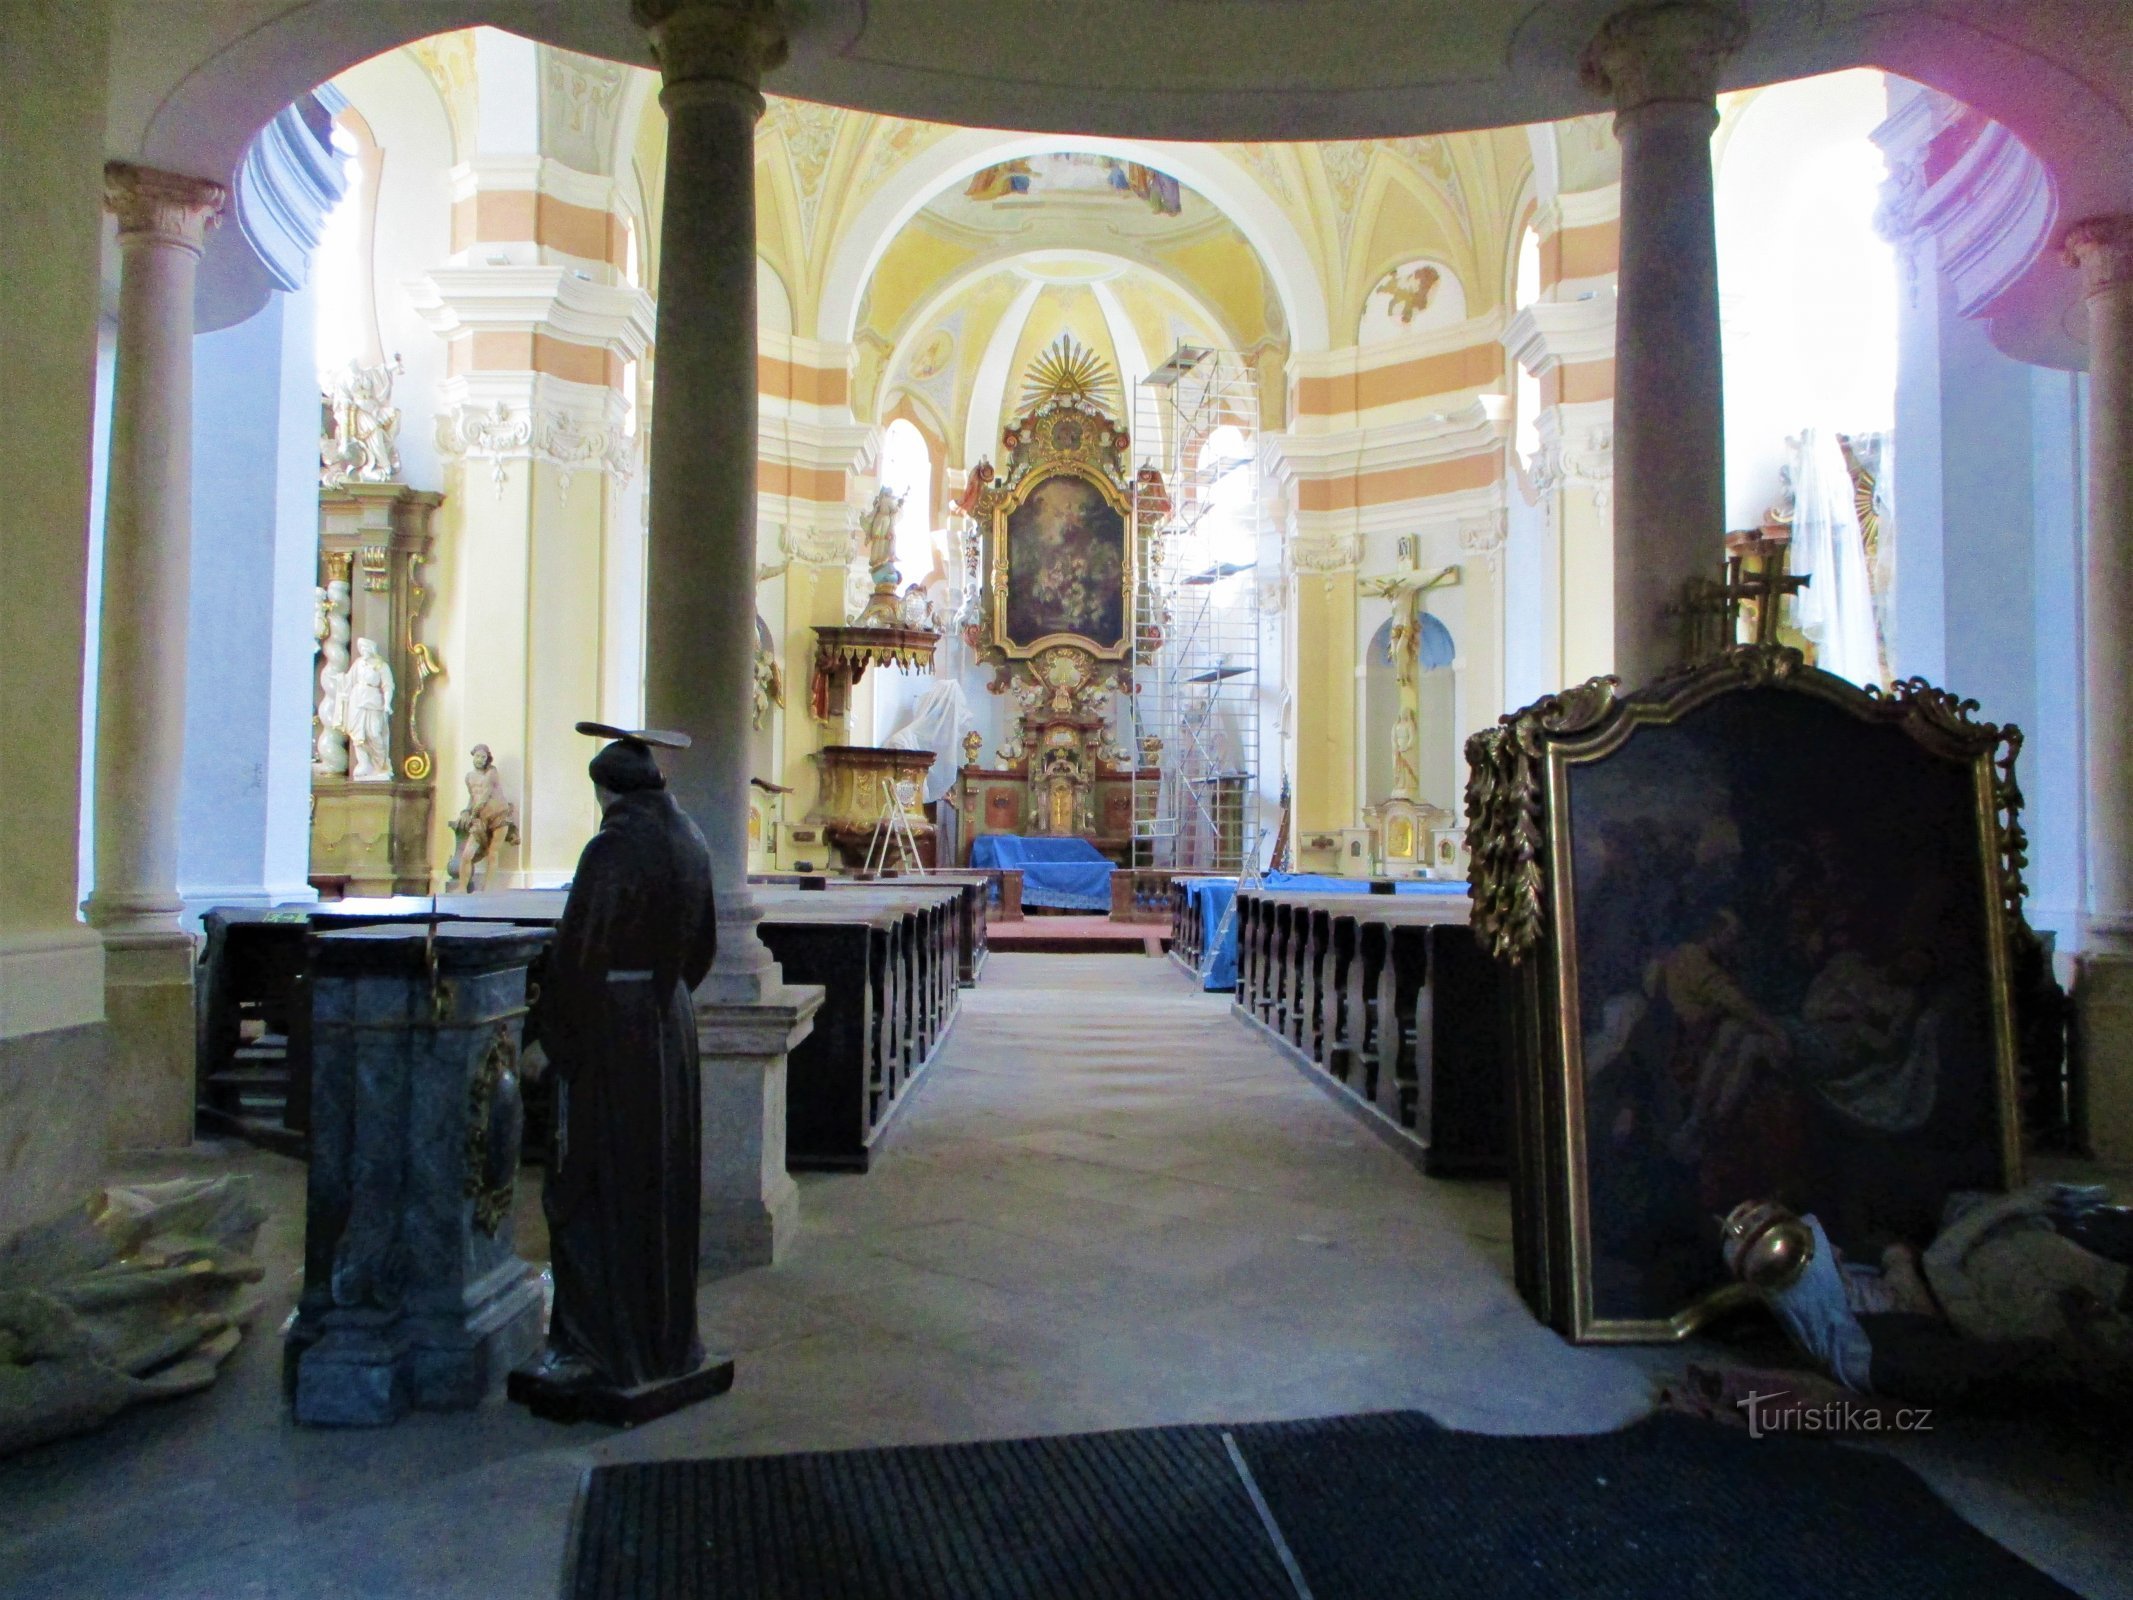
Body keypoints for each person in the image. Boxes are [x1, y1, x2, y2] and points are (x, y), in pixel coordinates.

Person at [516, 725, 717, 1402]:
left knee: (596, 1179)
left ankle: (601, 1349)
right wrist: (662, 997)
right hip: (668, 1025)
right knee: (660, 1178)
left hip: (612, 1030)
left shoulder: (613, 847)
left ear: (604, 791)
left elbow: (579, 952)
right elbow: (704, 950)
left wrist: (551, 1040)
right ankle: (667, 1339)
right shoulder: (690, 839)